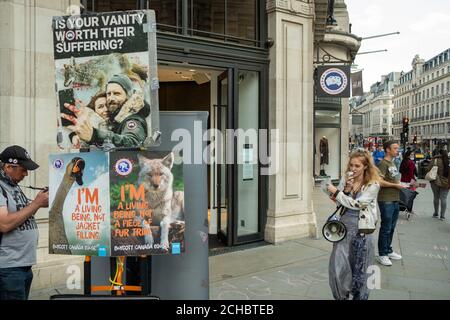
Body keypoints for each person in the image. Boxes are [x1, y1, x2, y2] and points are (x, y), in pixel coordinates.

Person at [326, 149, 380, 300]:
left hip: (362, 233)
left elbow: (358, 204)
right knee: (338, 270)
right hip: (343, 231)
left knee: (361, 273)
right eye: (351, 165)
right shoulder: (346, 179)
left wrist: (337, 193)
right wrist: (346, 189)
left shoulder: (373, 185)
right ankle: (341, 297)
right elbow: (339, 203)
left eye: (357, 166)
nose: (353, 169)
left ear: (365, 167)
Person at [0, 146, 49, 300]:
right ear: (8, 167)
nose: (26, 174)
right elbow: (4, 224)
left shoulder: (12, 185)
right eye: (23, 169)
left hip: (22, 266)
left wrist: (39, 202)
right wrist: (35, 204)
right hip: (8, 267)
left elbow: (22, 214)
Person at [63, 74, 150, 148]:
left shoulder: (133, 119)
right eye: (109, 94)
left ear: (128, 95)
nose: (111, 98)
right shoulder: (115, 118)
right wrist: (76, 134)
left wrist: (95, 135)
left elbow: (132, 142)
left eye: (117, 93)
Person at [377, 141, 407, 266]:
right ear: (387, 150)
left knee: (392, 227)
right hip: (386, 200)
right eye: (395, 148)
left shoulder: (393, 163)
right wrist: (396, 185)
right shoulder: (383, 164)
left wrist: (402, 185)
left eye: (398, 148)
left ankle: (388, 250)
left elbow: (394, 179)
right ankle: (382, 254)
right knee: (386, 227)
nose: (397, 150)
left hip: (395, 198)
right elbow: (379, 181)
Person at [426, 148, 449, 220]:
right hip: (446, 182)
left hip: (435, 180)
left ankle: (436, 213)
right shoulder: (447, 161)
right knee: (444, 198)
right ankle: (442, 216)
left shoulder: (435, 160)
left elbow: (428, 169)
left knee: (436, 197)